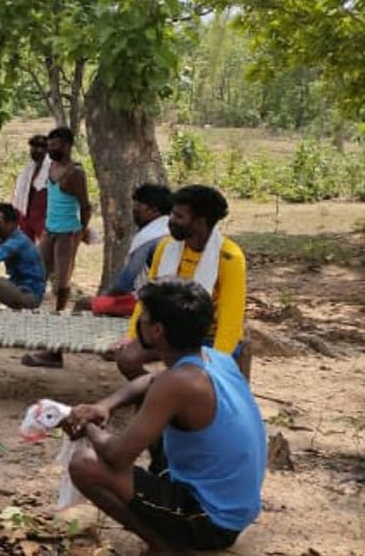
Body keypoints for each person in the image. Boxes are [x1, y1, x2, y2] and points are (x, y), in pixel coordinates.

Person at [61, 279, 266, 556]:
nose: (138, 322)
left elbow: (117, 457)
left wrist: (85, 424)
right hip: (234, 506)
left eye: (142, 317)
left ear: (157, 330)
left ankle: (167, 553)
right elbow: (150, 382)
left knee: (84, 465)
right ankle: (167, 524)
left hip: (212, 522)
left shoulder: (179, 383)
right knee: (147, 415)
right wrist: (104, 405)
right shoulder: (215, 359)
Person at [117, 185, 246, 380]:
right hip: (170, 332)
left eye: (179, 217)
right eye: (172, 215)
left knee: (193, 375)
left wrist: (217, 360)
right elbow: (149, 297)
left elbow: (230, 318)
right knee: (127, 358)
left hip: (208, 337)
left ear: (200, 222)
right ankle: (155, 399)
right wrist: (131, 334)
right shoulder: (166, 247)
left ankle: (169, 400)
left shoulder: (229, 257)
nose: (170, 222)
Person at [23, 126, 92, 368]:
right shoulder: (50, 167)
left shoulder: (75, 173)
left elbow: (86, 205)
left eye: (56, 145)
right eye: (49, 144)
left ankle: (56, 344)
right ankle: (43, 330)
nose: (51, 149)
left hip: (67, 234)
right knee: (37, 275)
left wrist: (82, 230)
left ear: (68, 145)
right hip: (50, 231)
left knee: (62, 285)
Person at [77, 184, 172, 318]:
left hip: (149, 302)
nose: (134, 211)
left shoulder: (149, 238)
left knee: (84, 304)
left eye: (138, 207)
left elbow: (125, 282)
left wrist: (104, 300)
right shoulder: (172, 231)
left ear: (154, 210)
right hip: (170, 299)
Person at [12, 134, 49, 242]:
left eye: (41, 147)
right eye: (34, 147)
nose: (37, 150)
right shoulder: (28, 169)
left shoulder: (51, 169)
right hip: (26, 215)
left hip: (43, 217)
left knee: (45, 251)